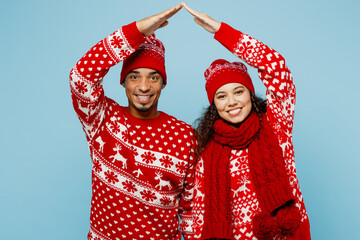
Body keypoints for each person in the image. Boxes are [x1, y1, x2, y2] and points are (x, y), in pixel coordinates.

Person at [182, 4, 311, 240]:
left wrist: (221, 31)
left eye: (239, 91)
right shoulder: (203, 146)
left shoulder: (275, 123)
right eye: (221, 96)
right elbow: (195, 207)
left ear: (250, 94)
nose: (232, 102)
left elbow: (276, 68)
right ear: (214, 104)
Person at [69, 3, 197, 239]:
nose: (144, 86)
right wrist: (138, 31)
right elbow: (81, 75)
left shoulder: (185, 135)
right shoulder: (101, 119)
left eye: (154, 77)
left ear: (163, 83)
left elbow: (191, 210)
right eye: (134, 77)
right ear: (123, 82)